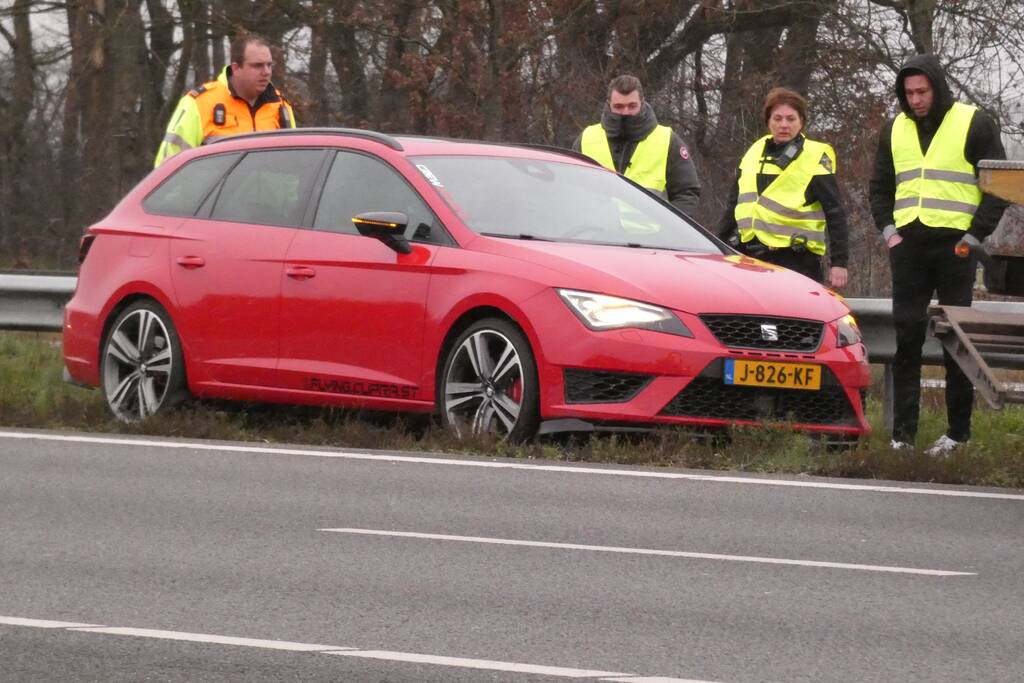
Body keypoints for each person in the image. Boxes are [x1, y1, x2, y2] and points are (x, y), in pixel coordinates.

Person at [869, 54, 1008, 455]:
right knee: (907, 338)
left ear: (938, 87)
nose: (915, 100)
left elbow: (999, 185)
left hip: (955, 247)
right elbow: (880, 187)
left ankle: (957, 435)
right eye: (909, 93)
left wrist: (974, 235)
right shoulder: (894, 128)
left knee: (956, 343)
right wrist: (890, 233)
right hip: (908, 246)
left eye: (922, 91)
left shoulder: (973, 122)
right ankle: (902, 437)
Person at [716, 87, 849, 287]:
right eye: (777, 119)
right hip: (749, 256)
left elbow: (834, 211)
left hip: (796, 259)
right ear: (768, 121)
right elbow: (733, 205)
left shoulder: (814, 155)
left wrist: (839, 262)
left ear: (801, 121)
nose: (784, 125)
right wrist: (717, 247)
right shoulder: (754, 152)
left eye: (790, 119)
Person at [154, 34, 296, 167]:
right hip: (216, 187)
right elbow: (169, 167)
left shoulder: (281, 106)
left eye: (269, 65)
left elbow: (294, 162)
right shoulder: (199, 103)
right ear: (236, 68)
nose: (266, 72)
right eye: (257, 66)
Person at [573, 74, 701, 217]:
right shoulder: (586, 139)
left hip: (651, 231)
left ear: (642, 102)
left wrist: (669, 227)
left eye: (632, 106)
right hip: (594, 229)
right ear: (609, 104)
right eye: (619, 107)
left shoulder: (667, 140)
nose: (626, 112)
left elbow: (687, 194)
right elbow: (571, 189)